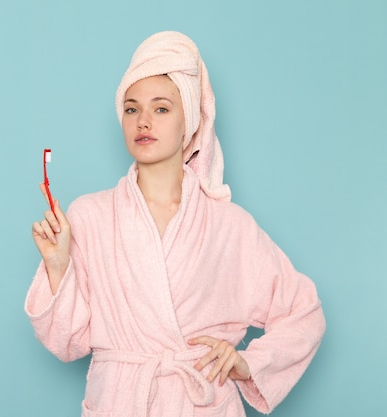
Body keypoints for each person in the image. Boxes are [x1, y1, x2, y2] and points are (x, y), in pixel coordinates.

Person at [25, 31, 325, 417]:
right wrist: (58, 266)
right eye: (131, 109)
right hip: (120, 403)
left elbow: (304, 312)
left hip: (202, 402)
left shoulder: (229, 225)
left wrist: (249, 363)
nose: (143, 120)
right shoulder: (89, 216)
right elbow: (67, 343)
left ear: (190, 120)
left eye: (161, 109)